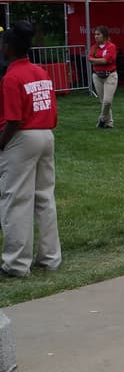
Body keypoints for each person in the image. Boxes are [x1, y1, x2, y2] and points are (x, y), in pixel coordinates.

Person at [0, 21, 62, 277]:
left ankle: (16, 263)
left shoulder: (11, 77)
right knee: (45, 198)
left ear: (9, 48)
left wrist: (2, 143)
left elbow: (13, 119)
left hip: (21, 137)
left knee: (16, 199)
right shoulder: (41, 71)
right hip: (46, 134)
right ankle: (50, 258)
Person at [88, 26, 117, 129]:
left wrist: (96, 60)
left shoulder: (111, 46)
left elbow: (107, 60)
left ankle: (101, 118)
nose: (96, 36)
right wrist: (101, 60)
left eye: (98, 34)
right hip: (97, 76)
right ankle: (109, 123)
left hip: (110, 75)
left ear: (104, 35)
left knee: (107, 101)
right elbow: (89, 58)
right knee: (103, 101)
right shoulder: (93, 47)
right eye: (95, 34)